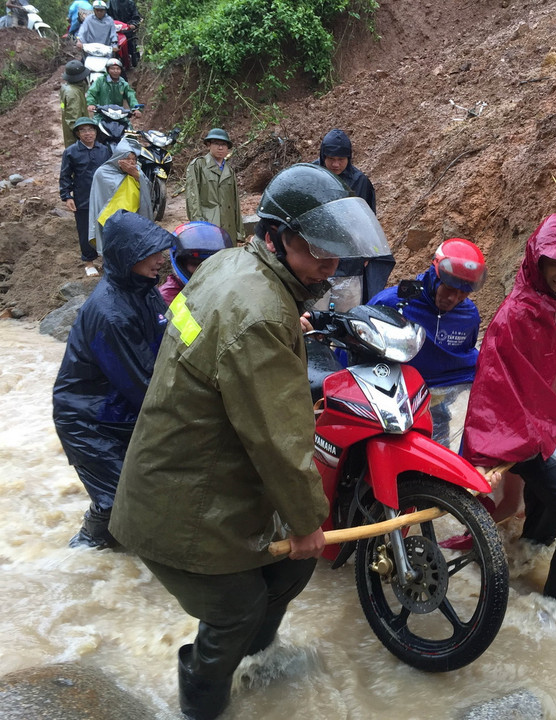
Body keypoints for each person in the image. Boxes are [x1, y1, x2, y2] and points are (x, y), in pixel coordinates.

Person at [109, 163, 390, 720]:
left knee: (290, 568)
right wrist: (311, 521)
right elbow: (279, 438)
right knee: (236, 609)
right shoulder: (259, 312)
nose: (330, 268)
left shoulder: (231, 266)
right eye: (317, 254)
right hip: (181, 501)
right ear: (275, 238)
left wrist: (294, 323)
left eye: (336, 255)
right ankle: (201, 702)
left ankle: (256, 660)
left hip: (207, 472)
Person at [461, 213, 556, 604]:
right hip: (522, 434)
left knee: (547, 516)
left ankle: (525, 560)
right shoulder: (514, 315)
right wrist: (491, 453)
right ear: (536, 260)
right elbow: (492, 390)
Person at [52, 211, 174, 549]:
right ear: (127, 256)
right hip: (88, 419)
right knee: (117, 498)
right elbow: (143, 385)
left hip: (118, 410)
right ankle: (86, 552)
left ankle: (127, 544)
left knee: (147, 491)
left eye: (160, 251)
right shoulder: (110, 313)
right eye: (150, 253)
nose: (160, 259)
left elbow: (174, 335)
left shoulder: (146, 289)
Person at [370, 238, 486, 448]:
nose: (454, 298)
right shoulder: (391, 305)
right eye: (449, 288)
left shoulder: (468, 318)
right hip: (389, 406)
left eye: (463, 293)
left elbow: (465, 360)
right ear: (434, 275)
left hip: (436, 410)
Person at [60, 117, 112, 276]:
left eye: (91, 129)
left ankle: (107, 260)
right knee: (85, 229)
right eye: (83, 130)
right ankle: (89, 263)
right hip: (83, 197)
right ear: (77, 133)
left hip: (103, 197)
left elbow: (111, 172)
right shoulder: (71, 152)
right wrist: (67, 196)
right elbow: (65, 176)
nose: (88, 133)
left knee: (106, 227)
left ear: (96, 132)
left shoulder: (104, 150)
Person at [87, 136, 152, 250]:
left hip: (133, 220)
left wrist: (137, 176)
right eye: (127, 158)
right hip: (111, 223)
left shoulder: (138, 171)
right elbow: (101, 200)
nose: (131, 162)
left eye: (134, 159)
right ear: (118, 157)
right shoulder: (103, 173)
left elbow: (149, 193)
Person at [185, 128, 244, 245]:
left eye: (224, 144)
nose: (220, 148)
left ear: (228, 148)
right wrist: (198, 226)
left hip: (229, 227)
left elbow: (235, 203)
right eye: (216, 144)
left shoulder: (229, 170)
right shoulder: (198, 165)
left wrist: (239, 231)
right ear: (208, 145)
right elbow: (192, 198)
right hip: (209, 224)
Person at [158, 221, 233, 305]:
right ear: (181, 263)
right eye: (196, 264)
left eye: (212, 263)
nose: (205, 269)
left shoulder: (229, 288)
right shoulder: (165, 300)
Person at [314, 128, 376, 213]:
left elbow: (367, 219)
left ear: (348, 158)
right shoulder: (310, 175)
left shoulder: (360, 182)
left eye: (341, 159)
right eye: (331, 158)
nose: (335, 164)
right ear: (323, 157)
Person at [85, 58, 141, 123]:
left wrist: (135, 109)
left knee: (128, 127)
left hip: (118, 114)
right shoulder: (100, 81)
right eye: (112, 69)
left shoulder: (123, 84)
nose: (115, 71)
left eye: (118, 69)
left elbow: (131, 96)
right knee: (95, 127)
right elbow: (91, 92)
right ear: (108, 70)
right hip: (102, 113)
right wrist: (91, 104)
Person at [60, 60, 91, 148]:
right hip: (75, 134)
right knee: (78, 154)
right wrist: (82, 133)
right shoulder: (73, 93)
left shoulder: (65, 88)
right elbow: (73, 119)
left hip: (69, 130)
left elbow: (62, 106)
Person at [107, 0, 140, 66]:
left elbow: (136, 17)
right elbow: (107, 16)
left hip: (127, 28)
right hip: (115, 29)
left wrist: (133, 24)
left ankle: (133, 58)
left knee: (131, 44)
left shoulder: (130, 2)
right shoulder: (111, 2)